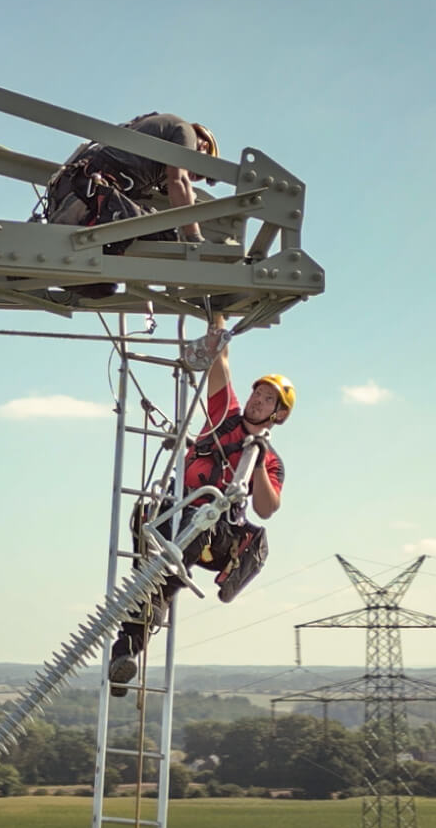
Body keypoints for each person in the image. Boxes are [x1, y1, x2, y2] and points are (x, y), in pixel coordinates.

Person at [109, 315, 292, 696]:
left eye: (268, 398)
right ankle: (123, 657)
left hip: (215, 530)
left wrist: (255, 459)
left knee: (197, 521)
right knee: (146, 521)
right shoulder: (225, 415)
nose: (258, 400)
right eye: (258, 392)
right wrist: (218, 312)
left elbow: (266, 508)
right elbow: (219, 358)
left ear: (279, 414)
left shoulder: (270, 460)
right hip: (176, 514)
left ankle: (153, 600)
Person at [38, 113, 219, 302]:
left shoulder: (151, 134)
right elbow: (178, 180)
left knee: (103, 286)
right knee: (165, 234)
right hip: (91, 196)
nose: (192, 178)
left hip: (76, 195)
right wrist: (195, 238)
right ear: (203, 145)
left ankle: (57, 272)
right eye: (196, 173)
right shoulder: (186, 131)